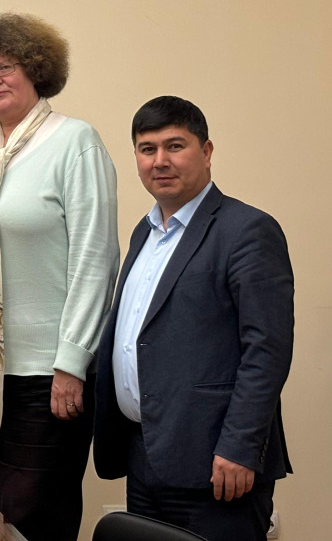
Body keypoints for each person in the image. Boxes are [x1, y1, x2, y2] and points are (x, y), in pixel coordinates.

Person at [0, 13, 118, 541]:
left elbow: (96, 258)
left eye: (4, 66)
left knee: (34, 516)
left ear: (36, 68)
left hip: (48, 373)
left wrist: (72, 362)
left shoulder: (76, 142)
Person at [94, 96, 293, 541]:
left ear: (206, 152)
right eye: (147, 149)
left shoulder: (247, 230)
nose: (159, 161)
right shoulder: (144, 232)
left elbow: (268, 350)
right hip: (144, 456)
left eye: (174, 146)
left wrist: (241, 446)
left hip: (217, 465)